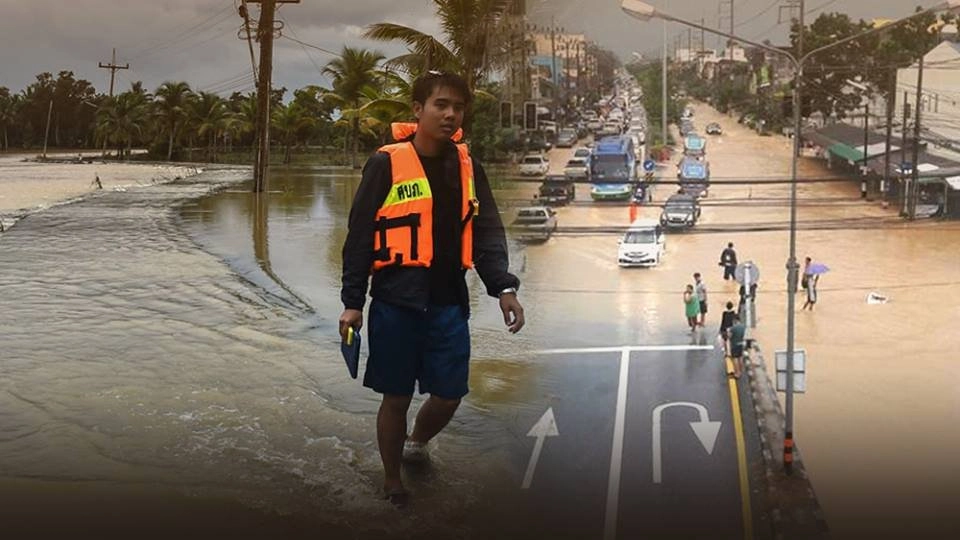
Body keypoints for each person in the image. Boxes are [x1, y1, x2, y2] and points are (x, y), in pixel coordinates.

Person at [339, 71, 524, 509]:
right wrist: (352, 303)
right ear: (417, 110)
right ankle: (391, 480)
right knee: (396, 395)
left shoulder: (467, 167)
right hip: (394, 301)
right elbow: (360, 235)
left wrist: (503, 287)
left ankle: (416, 443)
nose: (449, 114)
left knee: (450, 394)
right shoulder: (386, 163)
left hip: (447, 302)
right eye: (440, 105)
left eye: (457, 107)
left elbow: (487, 233)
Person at [728, 314, 747, 378]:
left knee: (735, 359)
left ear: (735, 320)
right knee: (740, 357)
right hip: (741, 344)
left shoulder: (733, 328)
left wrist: (728, 331)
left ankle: (737, 373)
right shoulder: (743, 327)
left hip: (734, 345)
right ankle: (741, 371)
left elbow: (729, 336)